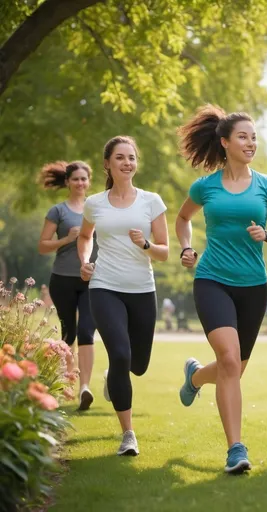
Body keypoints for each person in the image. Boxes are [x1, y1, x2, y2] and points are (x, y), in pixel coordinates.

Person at [175, 104, 267, 474]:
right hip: (212, 279)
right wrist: (187, 247)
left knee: (234, 368)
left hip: (253, 286)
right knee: (228, 360)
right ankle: (236, 449)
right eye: (243, 136)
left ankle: (194, 377)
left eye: (254, 137)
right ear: (224, 142)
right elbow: (182, 218)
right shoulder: (205, 186)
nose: (250, 142)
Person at [77, 135, 169, 456]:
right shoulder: (94, 203)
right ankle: (128, 433)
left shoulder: (151, 201)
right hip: (104, 286)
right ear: (107, 164)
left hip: (142, 289)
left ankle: (112, 378)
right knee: (119, 353)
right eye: (120, 157)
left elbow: (164, 252)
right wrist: (85, 261)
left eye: (131, 157)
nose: (127, 162)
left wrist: (145, 244)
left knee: (137, 364)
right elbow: (85, 237)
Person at [37, 160, 98, 411]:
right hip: (62, 279)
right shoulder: (58, 211)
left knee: (86, 332)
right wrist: (66, 239)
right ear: (67, 182)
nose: (80, 183)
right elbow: (42, 246)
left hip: (91, 279)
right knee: (68, 333)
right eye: (75, 179)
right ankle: (68, 381)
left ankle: (84, 387)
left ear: (89, 181)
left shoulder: (97, 208)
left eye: (84, 179)